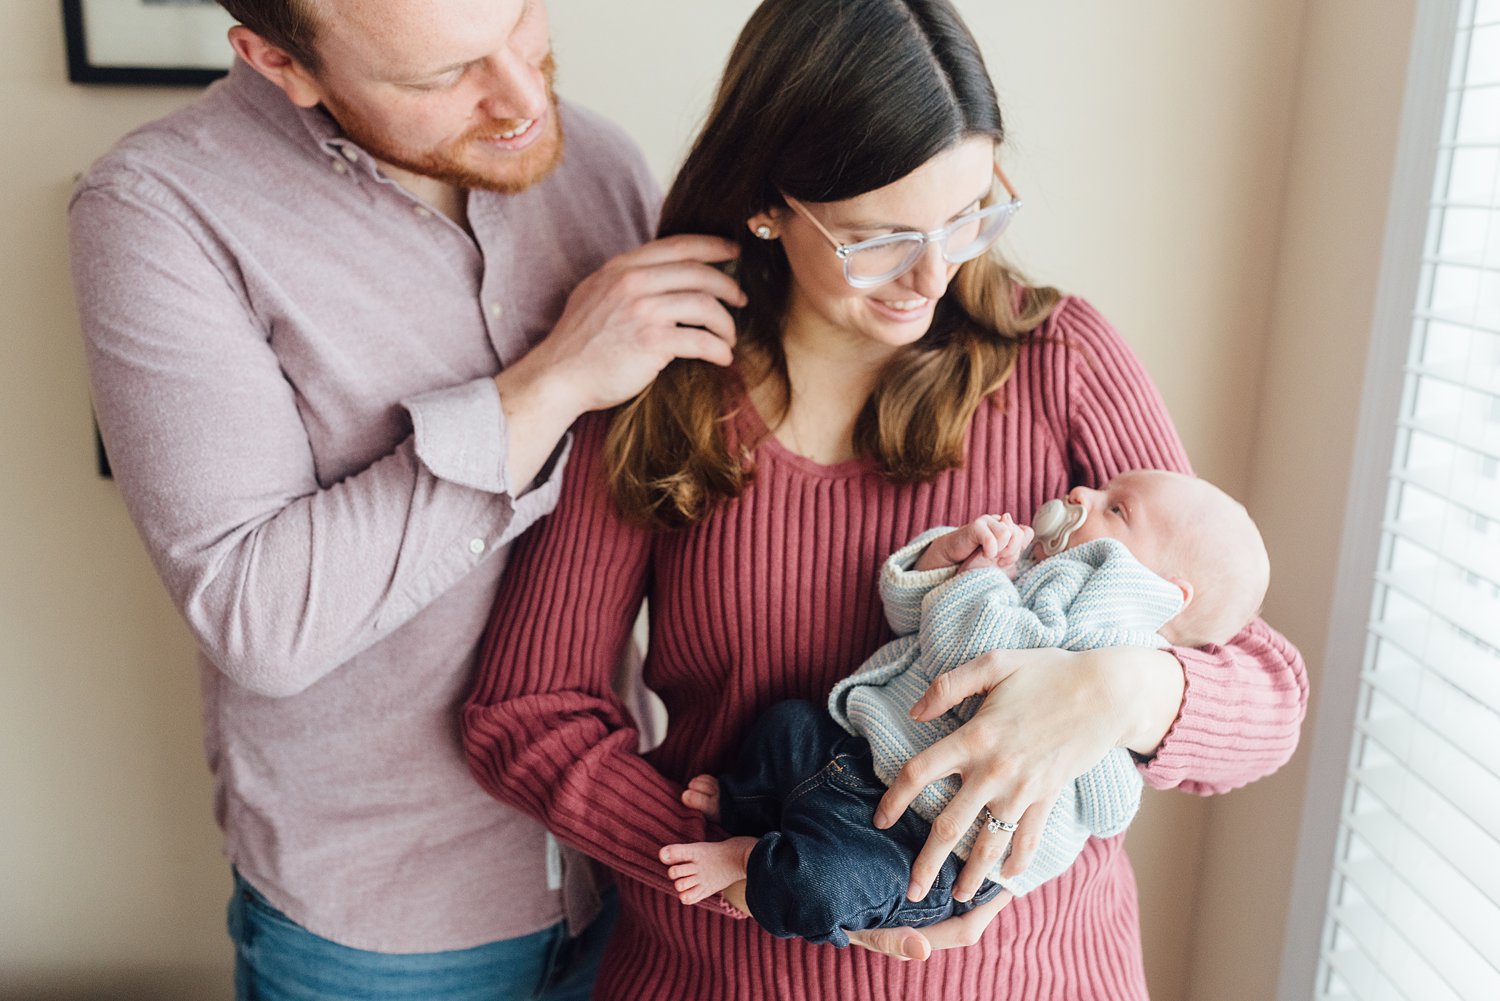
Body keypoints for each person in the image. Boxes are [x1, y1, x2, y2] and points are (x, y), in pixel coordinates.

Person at [462, 0, 1307, 997]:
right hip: (728, 973)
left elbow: (1264, 687)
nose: (934, 273)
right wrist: (754, 867)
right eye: (879, 238)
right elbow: (524, 712)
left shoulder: (1061, 360)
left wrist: (1121, 691)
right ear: (768, 205)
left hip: (1034, 975)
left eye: (967, 215)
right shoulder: (664, 383)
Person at [67, 1, 745, 998]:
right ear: (277, 61)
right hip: (381, 936)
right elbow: (260, 618)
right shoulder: (157, 211)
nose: (522, 94)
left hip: (632, 868)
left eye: (521, 20)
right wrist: (551, 380)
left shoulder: (599, 163)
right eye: (442, 76)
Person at [657, 469, 1271, 946]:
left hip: (922, 844)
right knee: (784, 724)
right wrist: (942, 563)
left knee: (820, 888)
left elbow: (972, 654)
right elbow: (915, 634)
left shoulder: (1106, 625)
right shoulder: (1040, 570)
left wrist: (1121, 701)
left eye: (1117, 508)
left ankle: (751, 860)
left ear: (1162, 592)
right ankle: (747, 803)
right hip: (855, 753)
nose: (1085, 489)